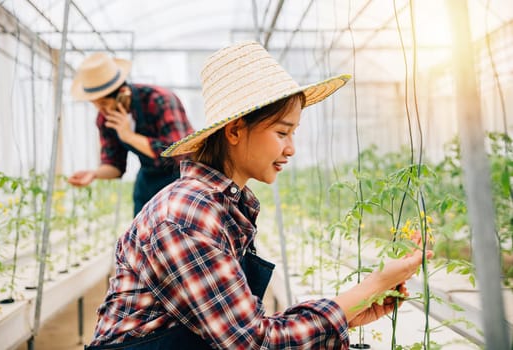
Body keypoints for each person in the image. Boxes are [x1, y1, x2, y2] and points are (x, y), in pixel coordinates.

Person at [85, 41, 433, 349]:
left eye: (294, 132)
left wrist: (349, 313)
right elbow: (252, 342)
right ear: (235, 130)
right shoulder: (187, 216)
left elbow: (241, 324)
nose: (292, 149)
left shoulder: (224, 203)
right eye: (283, 132)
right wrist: (363, 291)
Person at [68, 53, 195, 216]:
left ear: (123, 92)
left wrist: (128, 136)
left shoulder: (159, 100)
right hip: (149, 180)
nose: (102, 112)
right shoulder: (105, 118)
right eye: (96, 106)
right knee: (143, 236)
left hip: (184, 178)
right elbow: (114, 165)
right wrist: (94, 174)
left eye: (104, 103)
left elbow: (178, 153)